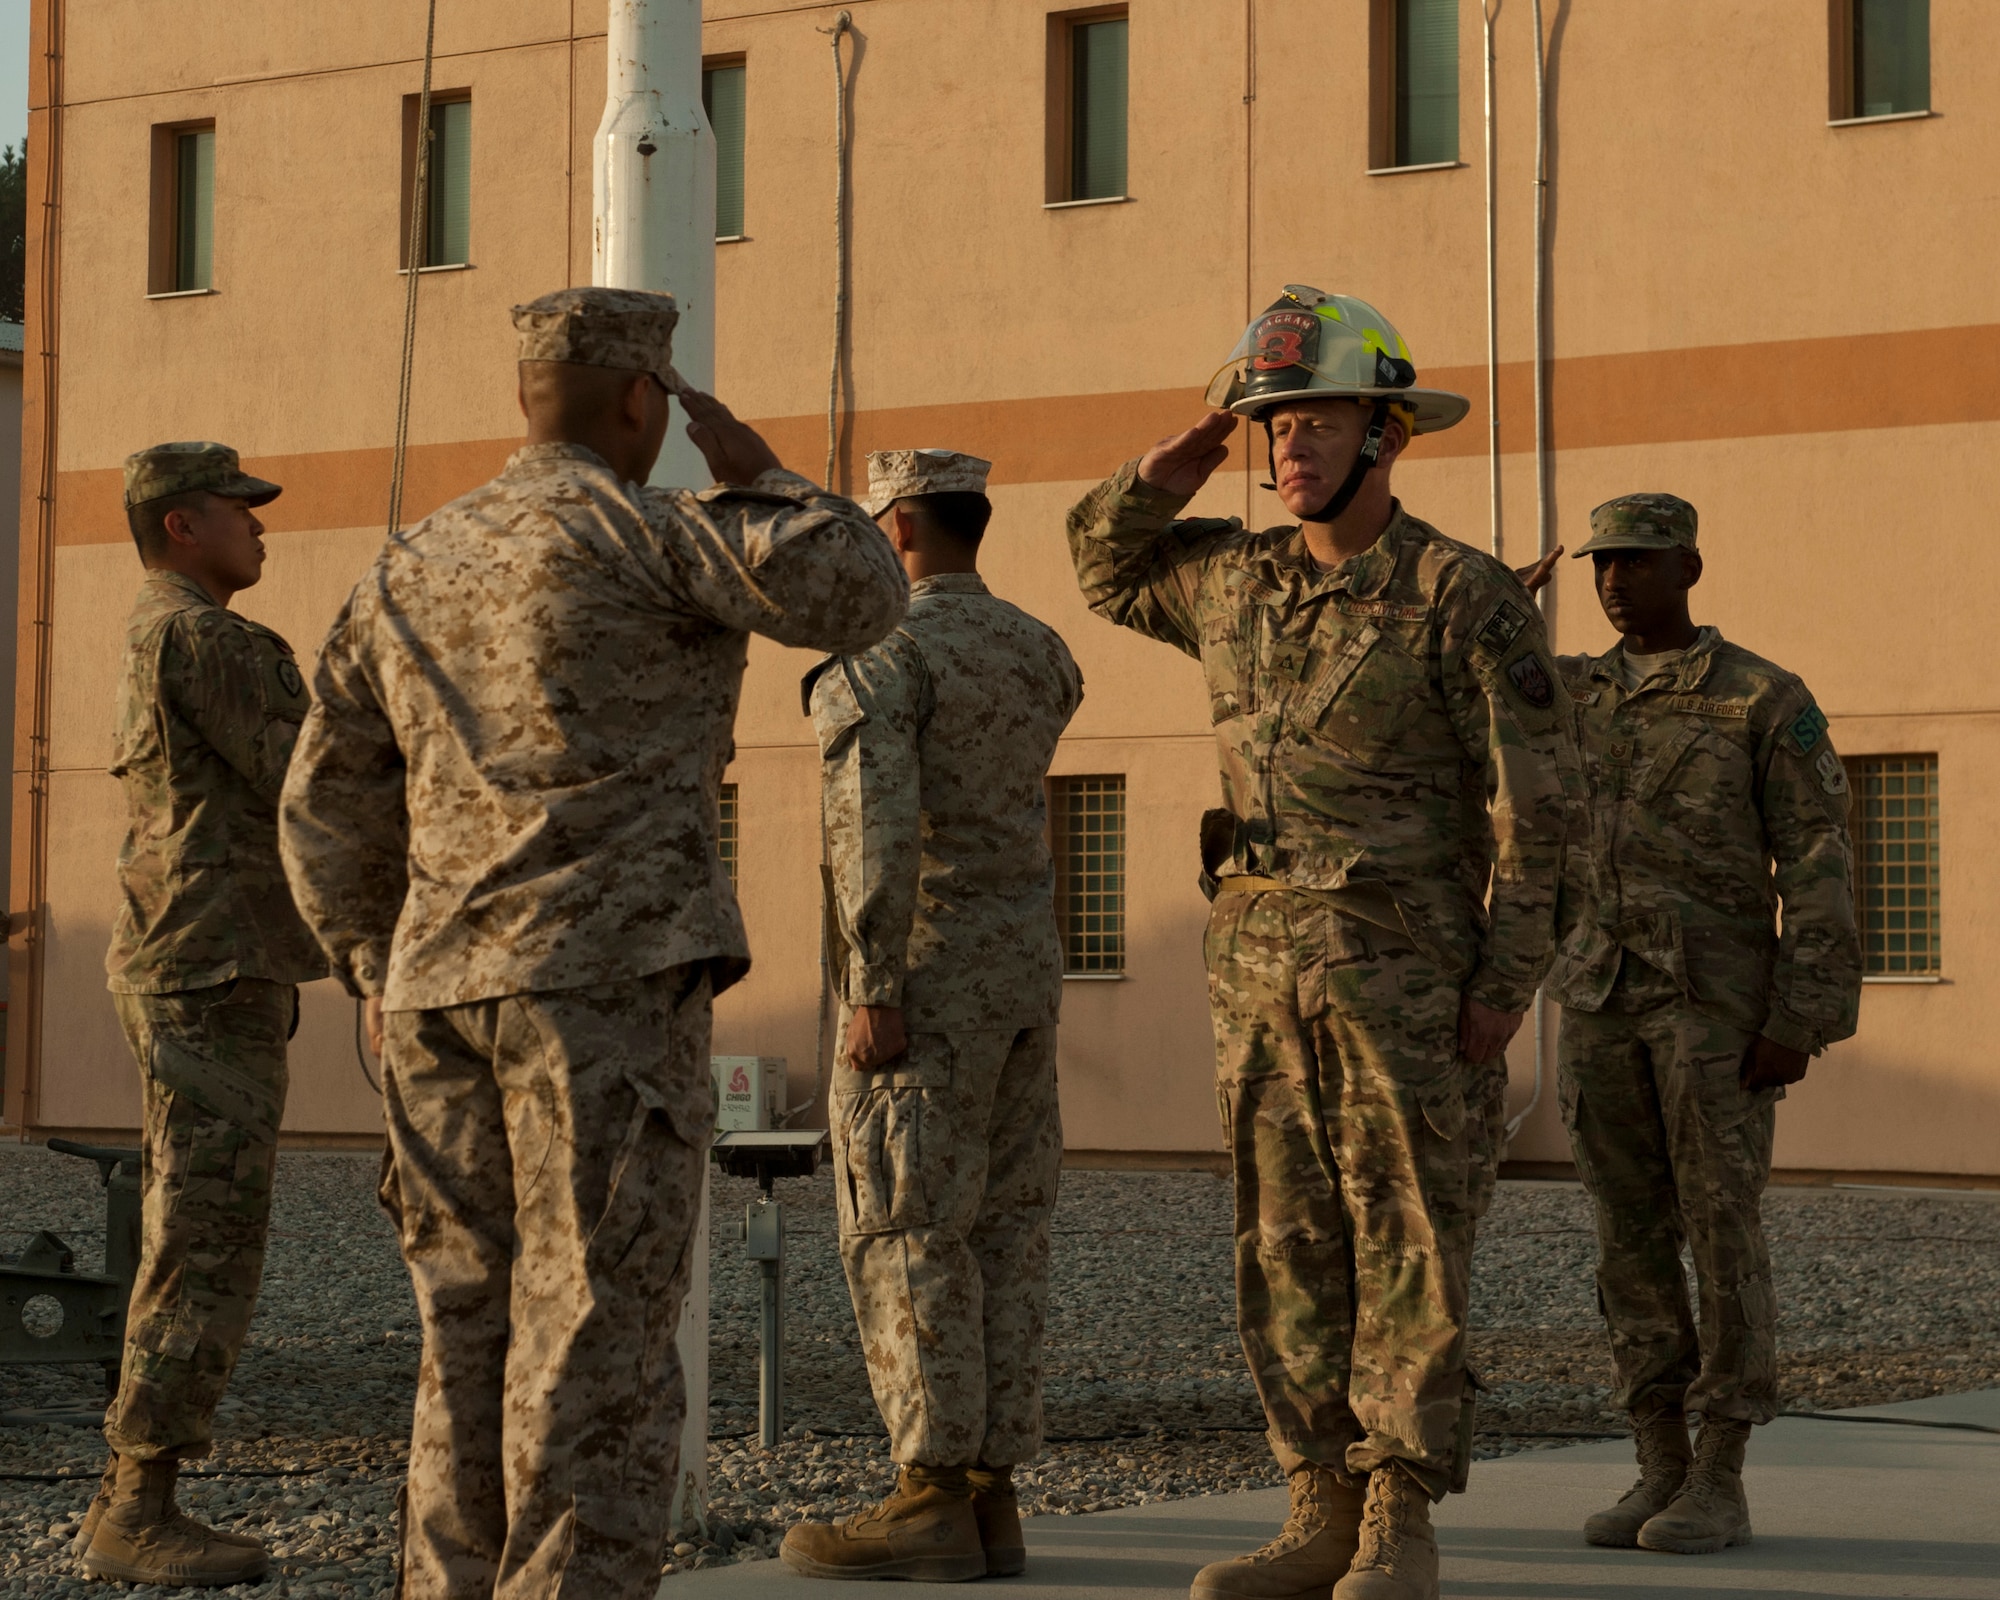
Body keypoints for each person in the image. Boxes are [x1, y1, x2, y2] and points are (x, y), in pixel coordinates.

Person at [277, 287, 907, 1599]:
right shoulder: (649, 531)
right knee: (597, 1343)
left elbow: (323, 799)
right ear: (643, 402)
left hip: (435, 999)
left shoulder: (410, 563)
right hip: (600, 999)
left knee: (465, 1338)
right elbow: (862, 592)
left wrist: (373, 959)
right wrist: (763, 472)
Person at [1065, 287, 1579, 1600]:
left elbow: (1542, 809)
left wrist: (1503, 987)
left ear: (1385, 432)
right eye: (1272, 421)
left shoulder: (1459, 596)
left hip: (1405, 984)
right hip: (1255, 983)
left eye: (1318, 417)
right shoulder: (1233, 581)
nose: (1287, 444)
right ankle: (1316, 1509)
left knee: (1409, 1242)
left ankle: (1401, 1514)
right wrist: (1168, 467)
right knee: (1283, 1242)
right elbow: (1101, 564)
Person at [782, 449, 1084, 1583]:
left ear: (899, 525)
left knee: (905, 1227)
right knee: (1004, 1227)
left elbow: (874, 825)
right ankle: (991, 1495)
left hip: (926, 975)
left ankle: (927, 1494)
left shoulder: (883, 655)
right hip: (1021, 973)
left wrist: (870, 986)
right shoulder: (1036, 648)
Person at [1544, 494, 1861, 1555]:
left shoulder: (1761, 699)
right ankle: (1657, 1464)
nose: (1611, 581)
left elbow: (1816, 864)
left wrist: (1799, 1015)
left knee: (1721, 1236)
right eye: (1600, 564)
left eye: (1634, 562)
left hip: (1714, 1012)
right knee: (1624, 1242)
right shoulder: (1573, 696)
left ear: (1687, 565)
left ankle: (1720, 1474)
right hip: (1597, 999)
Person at [78, 442, 327, 1588]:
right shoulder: (209, 640)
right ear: (184, 525)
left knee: (198, 1224)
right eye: (242, 509)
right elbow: (319, 782)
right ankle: (139, 1503)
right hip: (211, 968)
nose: (261, 525)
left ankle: (140, 1489)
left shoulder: (153, 629)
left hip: (195, 960)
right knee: (205, 1236)